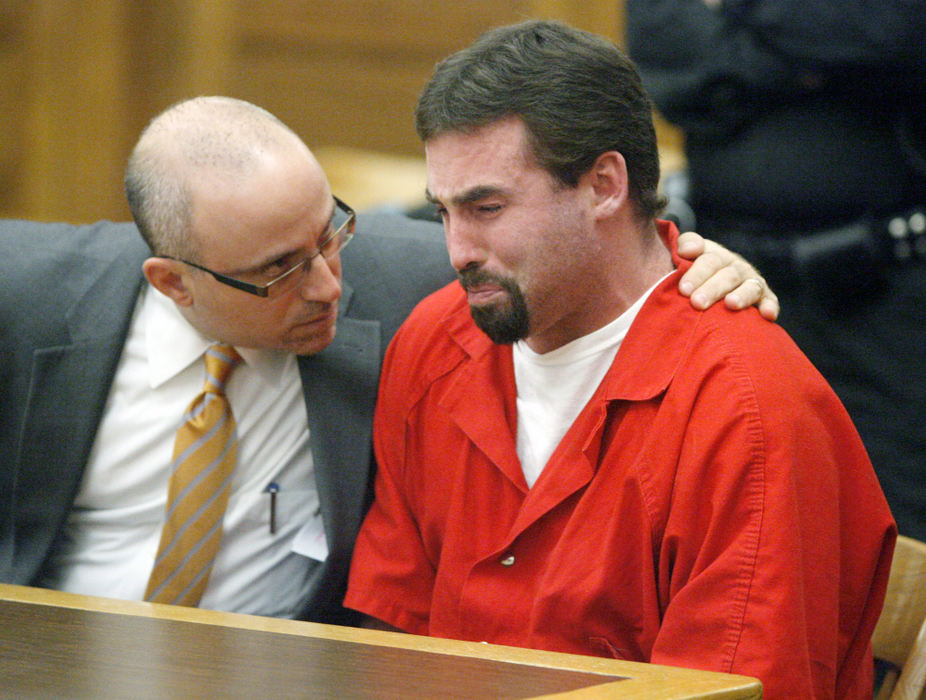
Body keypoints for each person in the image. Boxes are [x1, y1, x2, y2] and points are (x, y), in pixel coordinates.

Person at [0, 97, 767, 622]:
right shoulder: (25, 295)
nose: (328, 285)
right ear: (172, 282)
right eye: (281, 270)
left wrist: (706, 265)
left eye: (330, 232)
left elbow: (604, 251)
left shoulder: (407, 281)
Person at [344, 21, 896, 698]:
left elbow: (732, 691)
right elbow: (387, 638)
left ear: (605, 185)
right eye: (443, 212)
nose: (457, 250)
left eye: (487, 207)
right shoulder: (434, 342)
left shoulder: (748, 413)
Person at [625, 0, 926, 540]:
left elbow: (892, 29)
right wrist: (814, 70)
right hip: (721, 282)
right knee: (734, 520)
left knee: (894, 535)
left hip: (884, 291)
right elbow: (666, 57)